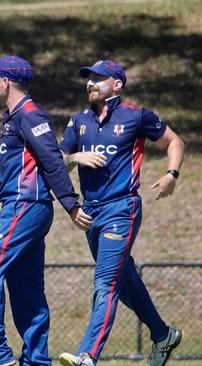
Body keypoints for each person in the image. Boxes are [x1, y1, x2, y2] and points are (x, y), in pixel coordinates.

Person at [0, 55, 90, 366]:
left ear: (6, 82)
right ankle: (37, 360)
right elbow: (6, 175)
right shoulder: (13, 119)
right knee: (26, 287)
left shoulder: (30, 115)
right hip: (24, 206)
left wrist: (70, 204)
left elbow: (53, 160)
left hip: (25, 207)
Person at [57, 60, 184, 366]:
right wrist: (75, 157)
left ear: (117, 84)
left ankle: (88, 355)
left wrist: (171, 175)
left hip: (121, 208)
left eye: (98, 78)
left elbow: (175, 141)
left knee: (104, 282)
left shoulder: (135, 116)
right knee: (124, 281)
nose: (90, 83)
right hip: (89, 212)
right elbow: (57, 164)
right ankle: (162, 334)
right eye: (88, 79)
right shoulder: (78, 122)